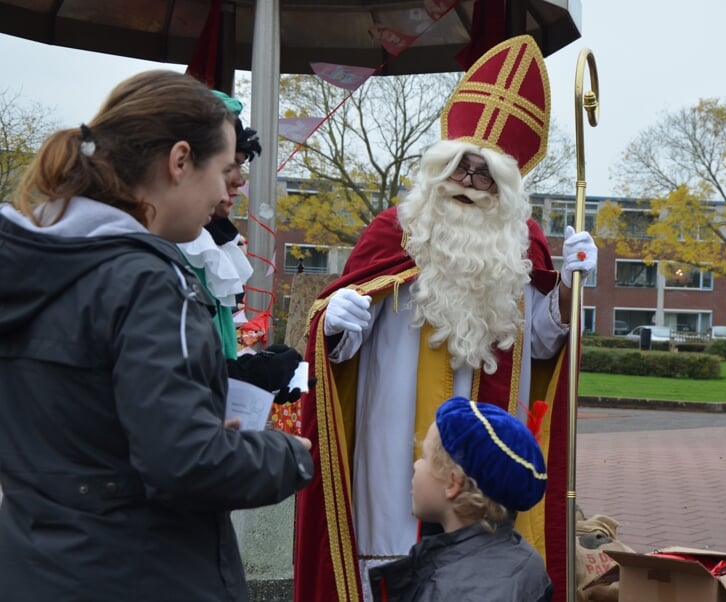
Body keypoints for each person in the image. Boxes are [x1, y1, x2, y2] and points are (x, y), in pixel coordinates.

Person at [293, 35, 597, 602]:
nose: (469, 183)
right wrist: (335, 322)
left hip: (485, 442)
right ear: (441, 165)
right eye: (461, 167)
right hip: (391, 436)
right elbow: (338, 348)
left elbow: (543, 343)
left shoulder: (521, 245)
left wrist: (569, 289)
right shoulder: (394, 231)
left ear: (505, 187)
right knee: (389, 546)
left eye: (485, 176)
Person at [0, 69, 314, 601]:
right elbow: (185, 464)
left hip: (35, 565)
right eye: (222, 169)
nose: (224, 189)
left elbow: (75, 424)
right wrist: (291, 454)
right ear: (180, 160)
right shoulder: (146, 278)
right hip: (140, 570)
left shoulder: (32, 263)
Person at [177, 90, 304, 406]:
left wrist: (255, 381)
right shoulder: (162, 251)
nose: (235, 182)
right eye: (227, 166)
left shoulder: (211, 243)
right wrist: (245, 377)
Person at [368, 396, 553, 601]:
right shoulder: (523, 557)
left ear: (452, 484)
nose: (416, 465)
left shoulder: (452, 592)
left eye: (424, 458)